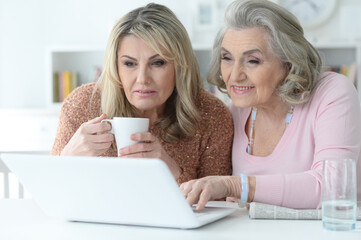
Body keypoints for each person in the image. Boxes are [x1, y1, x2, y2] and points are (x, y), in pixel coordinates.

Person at [181, 0, 361, 210]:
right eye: (227, 58)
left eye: (253, 61)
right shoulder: (237, 109)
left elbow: (332, 188)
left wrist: (234, 185)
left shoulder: (333, 92)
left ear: (289, 62)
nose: (235, 75)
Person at [51, 3, 233, 184]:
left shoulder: (212, 115)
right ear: (116, 67)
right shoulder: (83, 104)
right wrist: (67, 159)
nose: (142, 79)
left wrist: (173, 172)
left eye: (158, 63)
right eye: (129, 64)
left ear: (180, 66)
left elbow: (219, 205)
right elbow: (51, 192)